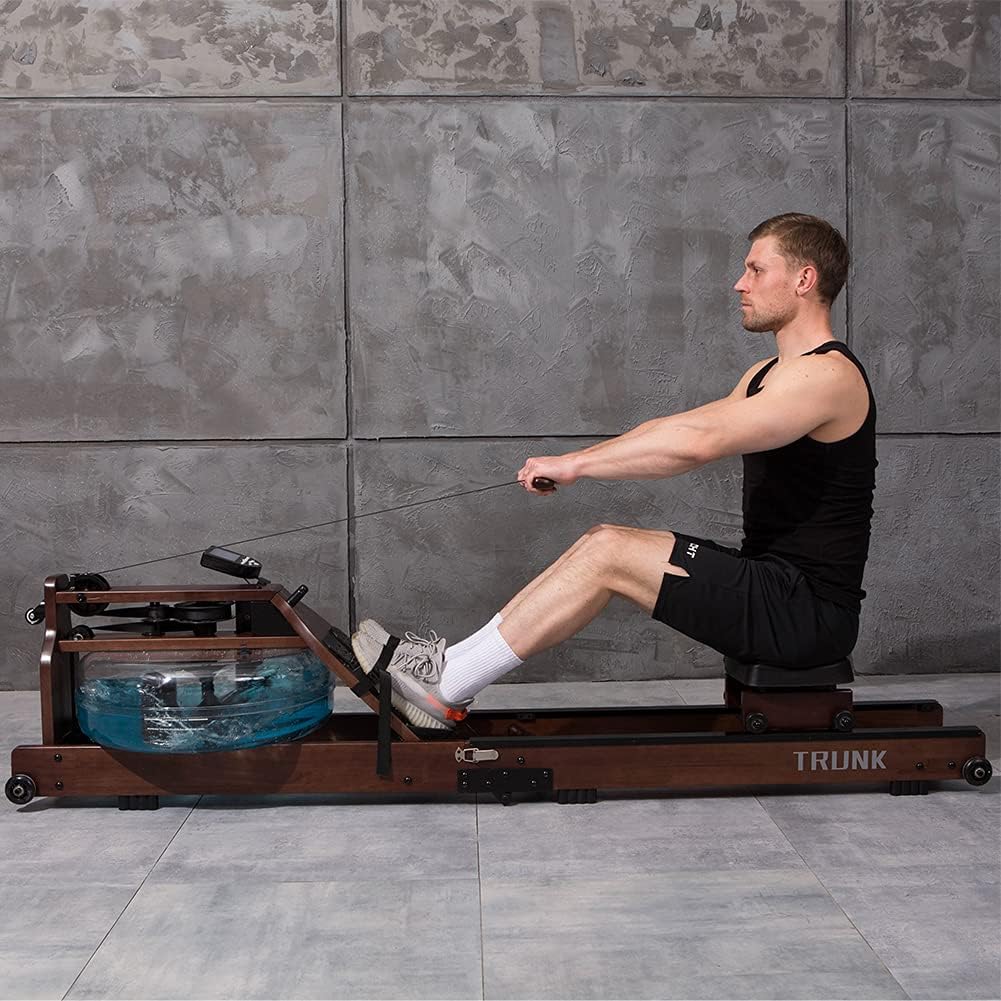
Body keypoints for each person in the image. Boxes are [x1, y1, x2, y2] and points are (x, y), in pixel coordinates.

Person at [351, 213, 876, 731]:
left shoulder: (827, 376)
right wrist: (576, 460)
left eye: (756, 270)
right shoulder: (766, 375)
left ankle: (447, 687)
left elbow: (697, 446)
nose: (740, 283)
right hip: (771, 584)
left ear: (804, 279)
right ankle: (449, 668)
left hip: (807, 612)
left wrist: (577, 465)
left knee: (610, 553)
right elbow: (675, 429)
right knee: (603, 541)